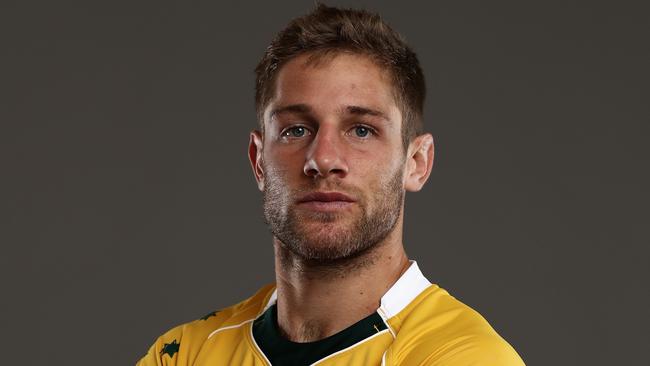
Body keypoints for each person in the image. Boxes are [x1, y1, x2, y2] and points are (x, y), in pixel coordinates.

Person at [137, 4, 525, 366]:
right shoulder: (186, 353)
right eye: (296, 129)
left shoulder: (463, 356)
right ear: (258, 161)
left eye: (361, 130)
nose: (322, 159)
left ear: (416, 163)